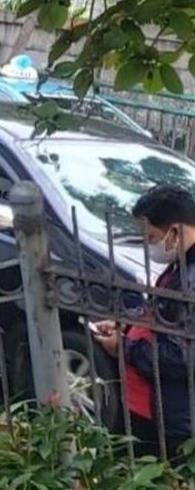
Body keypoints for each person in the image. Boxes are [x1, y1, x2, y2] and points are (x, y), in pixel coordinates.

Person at [93, 185, 195, 460]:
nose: (149, 246)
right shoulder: (181, 266)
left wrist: (124, 348)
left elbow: (183, 356)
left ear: (175, 230)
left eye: (151, 237)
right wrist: (126, 326)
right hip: (160, 408)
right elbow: (162, 316)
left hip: (181, 423)